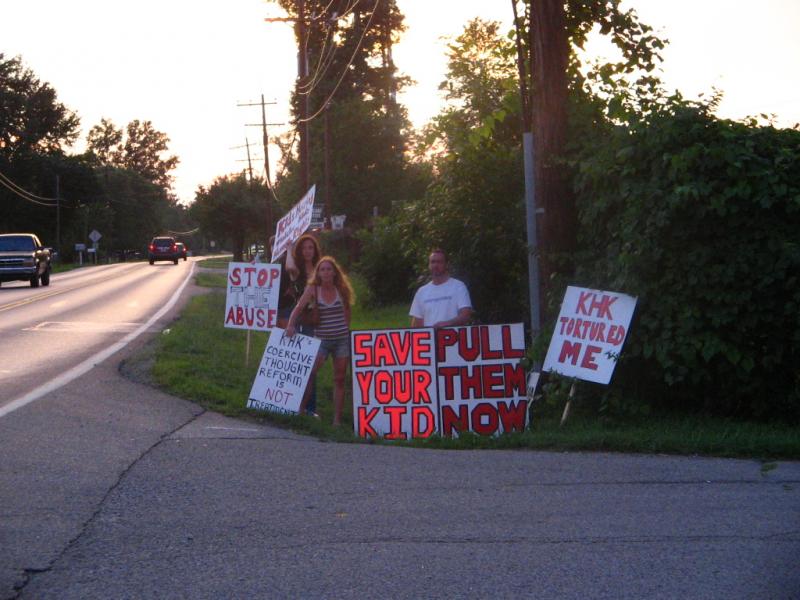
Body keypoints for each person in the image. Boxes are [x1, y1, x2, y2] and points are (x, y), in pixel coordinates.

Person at [286, 256, 355, 426]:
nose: (325, 272)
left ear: (334, 272)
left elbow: (347, 312)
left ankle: (336, 420)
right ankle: (300, 410)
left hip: (341, 340)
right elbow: (299, 307)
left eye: (329, 269)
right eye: (322, 269)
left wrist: (346, 329)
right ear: (318, 273)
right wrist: (290, 325)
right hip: (322, 339)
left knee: (339, 378)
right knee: (310, 373)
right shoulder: (313, 288)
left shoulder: (341, 288)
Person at [288, 233, 322, 415]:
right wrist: (288, 248)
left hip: (320, 322)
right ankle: (296, 404)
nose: (308, 251)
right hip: (301, 321)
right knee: (301, 364)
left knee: (313, 367)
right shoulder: (297, 271)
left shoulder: (321, 270)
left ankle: (310, 407)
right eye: (304, 248)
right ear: (299, 251)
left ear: (315, 250)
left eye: (311, 247)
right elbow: (288, 266)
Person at [409, 248, 473, 328]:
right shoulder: (421, 292)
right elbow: (416, 323)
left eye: (439, 262)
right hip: (429, 340)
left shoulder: (458, 286)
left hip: (453, 338)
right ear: (429, 265)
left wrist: (447, 324)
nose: (435, 265)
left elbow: (465, 315)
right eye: (433, 262)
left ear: (446, 264)